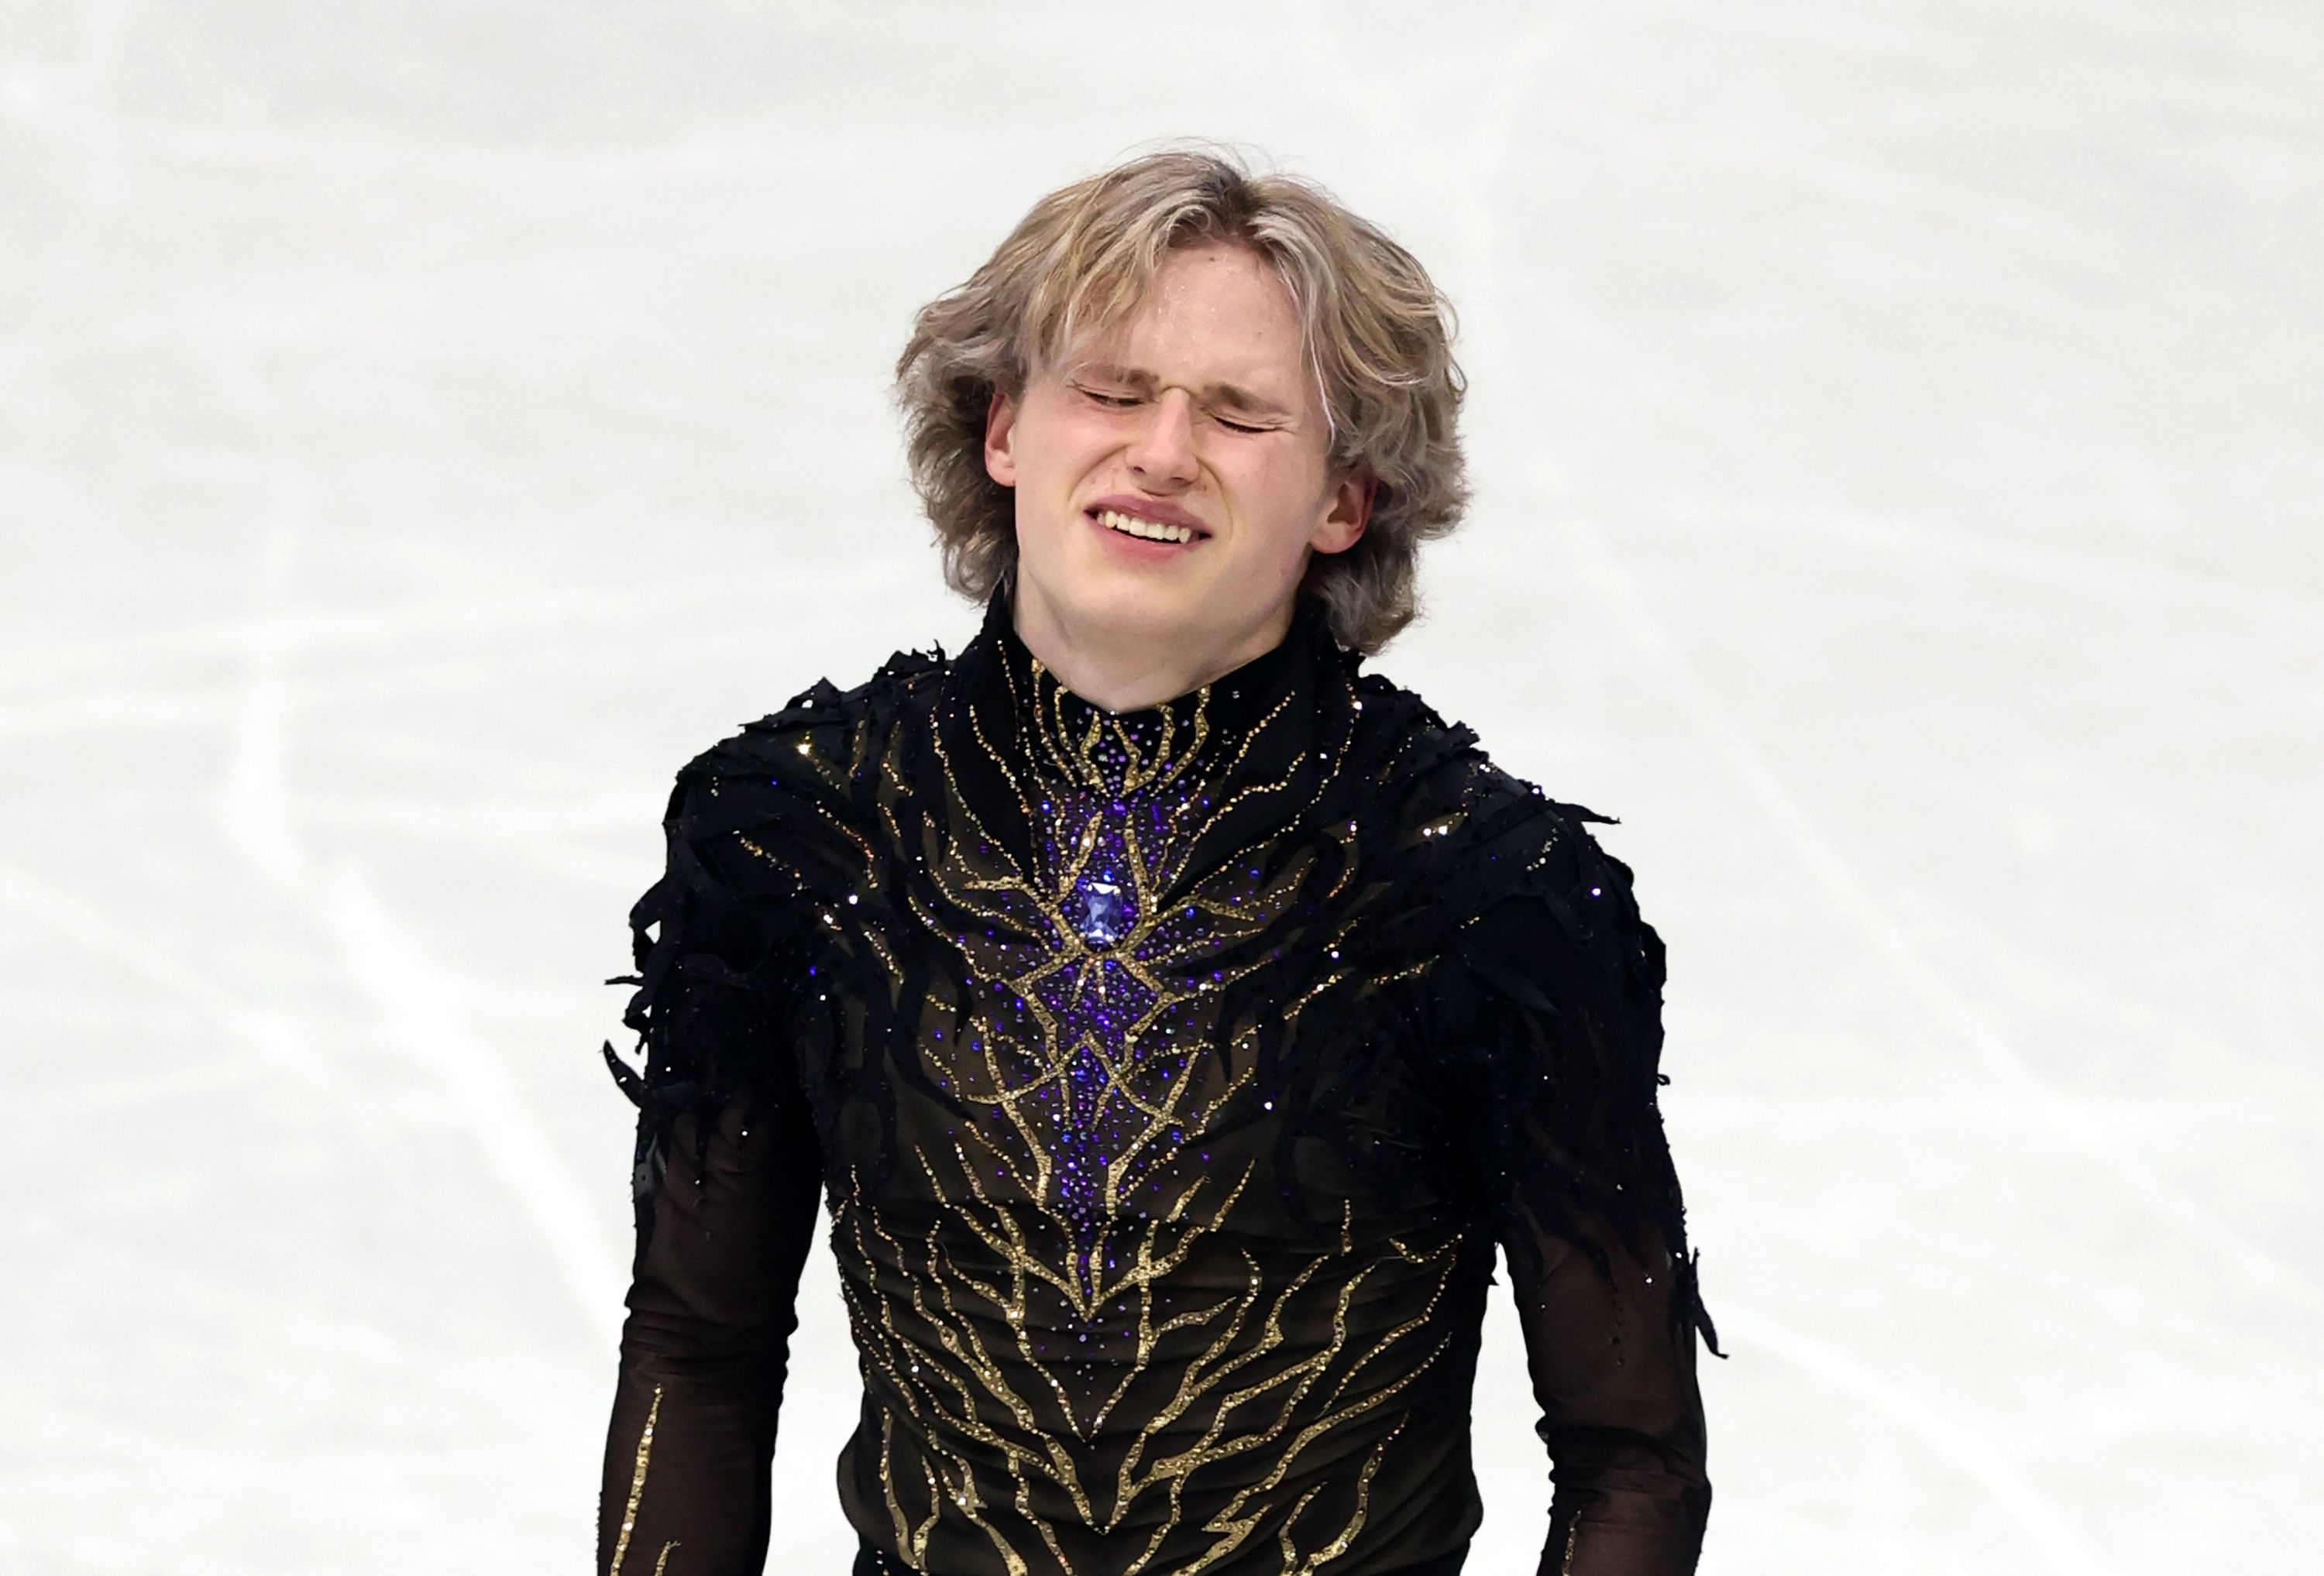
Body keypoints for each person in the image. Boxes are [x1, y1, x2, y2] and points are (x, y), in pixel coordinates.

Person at [596, 147, 1715, 1576]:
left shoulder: (1479, 891)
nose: (1162, 452)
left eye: (1241, 416)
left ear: (1342, 503)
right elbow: (700, 1351)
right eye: (1111, 392)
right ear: (1004, 429)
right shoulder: (800, 834)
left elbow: (1632, 1458)